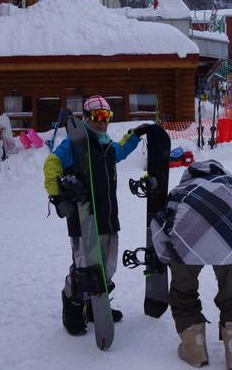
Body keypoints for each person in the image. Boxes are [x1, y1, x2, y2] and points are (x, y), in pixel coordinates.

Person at [44, 95, 152, 336]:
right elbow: (52, 164)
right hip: (83, 220)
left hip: (109, 217)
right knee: (84, 270)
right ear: (87, 117)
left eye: (107, 116)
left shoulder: (107, 145)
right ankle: (72, 311)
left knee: (107, 268)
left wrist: (137, 133)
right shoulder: (74, 145)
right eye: (97, 116)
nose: (102, 122)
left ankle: (97, 308)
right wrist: (56, 196)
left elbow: (122, 150)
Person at [151, 160, 232, 369]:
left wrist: (168, 257)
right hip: (231, 241)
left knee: (183, 293)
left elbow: (158, 225)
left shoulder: (181, 190)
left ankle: (194, 349)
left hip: (185, 243)